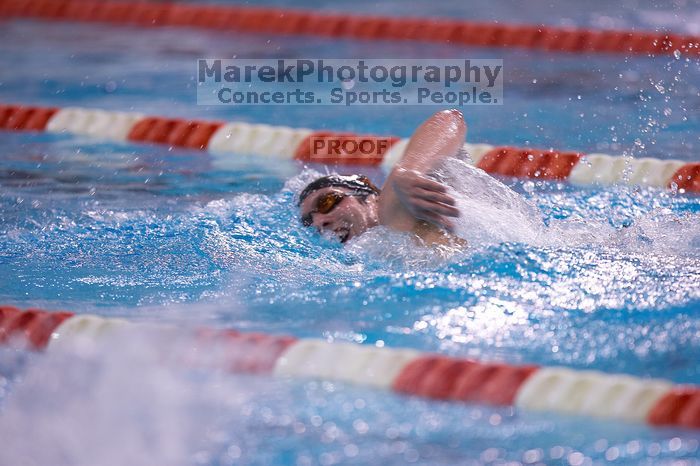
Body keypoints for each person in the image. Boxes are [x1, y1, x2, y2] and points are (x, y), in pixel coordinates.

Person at [298, 109, 467, 245]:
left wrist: (409, 169)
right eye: (309, 222)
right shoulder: (373, 249)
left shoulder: (391, 208)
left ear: (369, 194)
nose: (319, 222)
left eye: (326, 202)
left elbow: (449, 119)